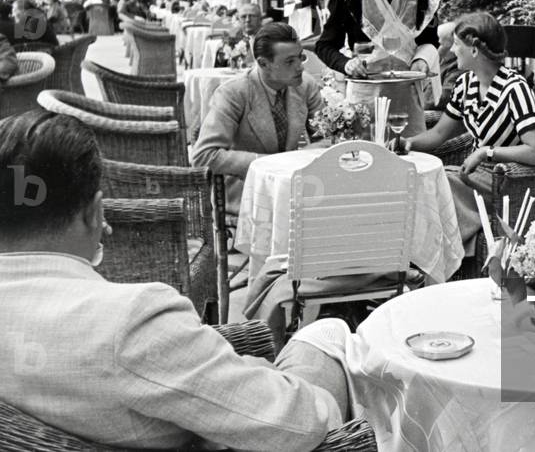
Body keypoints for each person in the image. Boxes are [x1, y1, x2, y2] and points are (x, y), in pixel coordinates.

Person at [0, 111, 354, 451]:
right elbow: (299, 424)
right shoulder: (130, 321)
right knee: (329, 334)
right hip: (255, 424)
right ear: (95, 212)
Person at [395, 12, 535, 252]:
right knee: (421, 182)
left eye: (457, 44)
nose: (452, 50)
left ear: (474, 50)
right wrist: (404, 143)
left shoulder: (515, 88)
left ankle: (426, 258)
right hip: (470, 175)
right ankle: (416, 257)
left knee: (434, 186)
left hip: (503, 180)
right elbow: (438, 134)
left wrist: (486, 152)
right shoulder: (466, 84)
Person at [316, 0, 441, 136]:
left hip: (406, 93)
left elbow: (430, 42)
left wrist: (421, 60)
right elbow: (325, 46)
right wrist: (346, 64)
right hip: (364, 96)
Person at [192, 23, 323, 217]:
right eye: (289, 61)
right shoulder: (234, 93)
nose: (300, 67)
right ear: (263, 64)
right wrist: (268, 164)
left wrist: (303, 157)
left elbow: (325, 138)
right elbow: (203, 156)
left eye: (300, 57)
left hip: (296, 190)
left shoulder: (305, 85)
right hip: (249, 195)